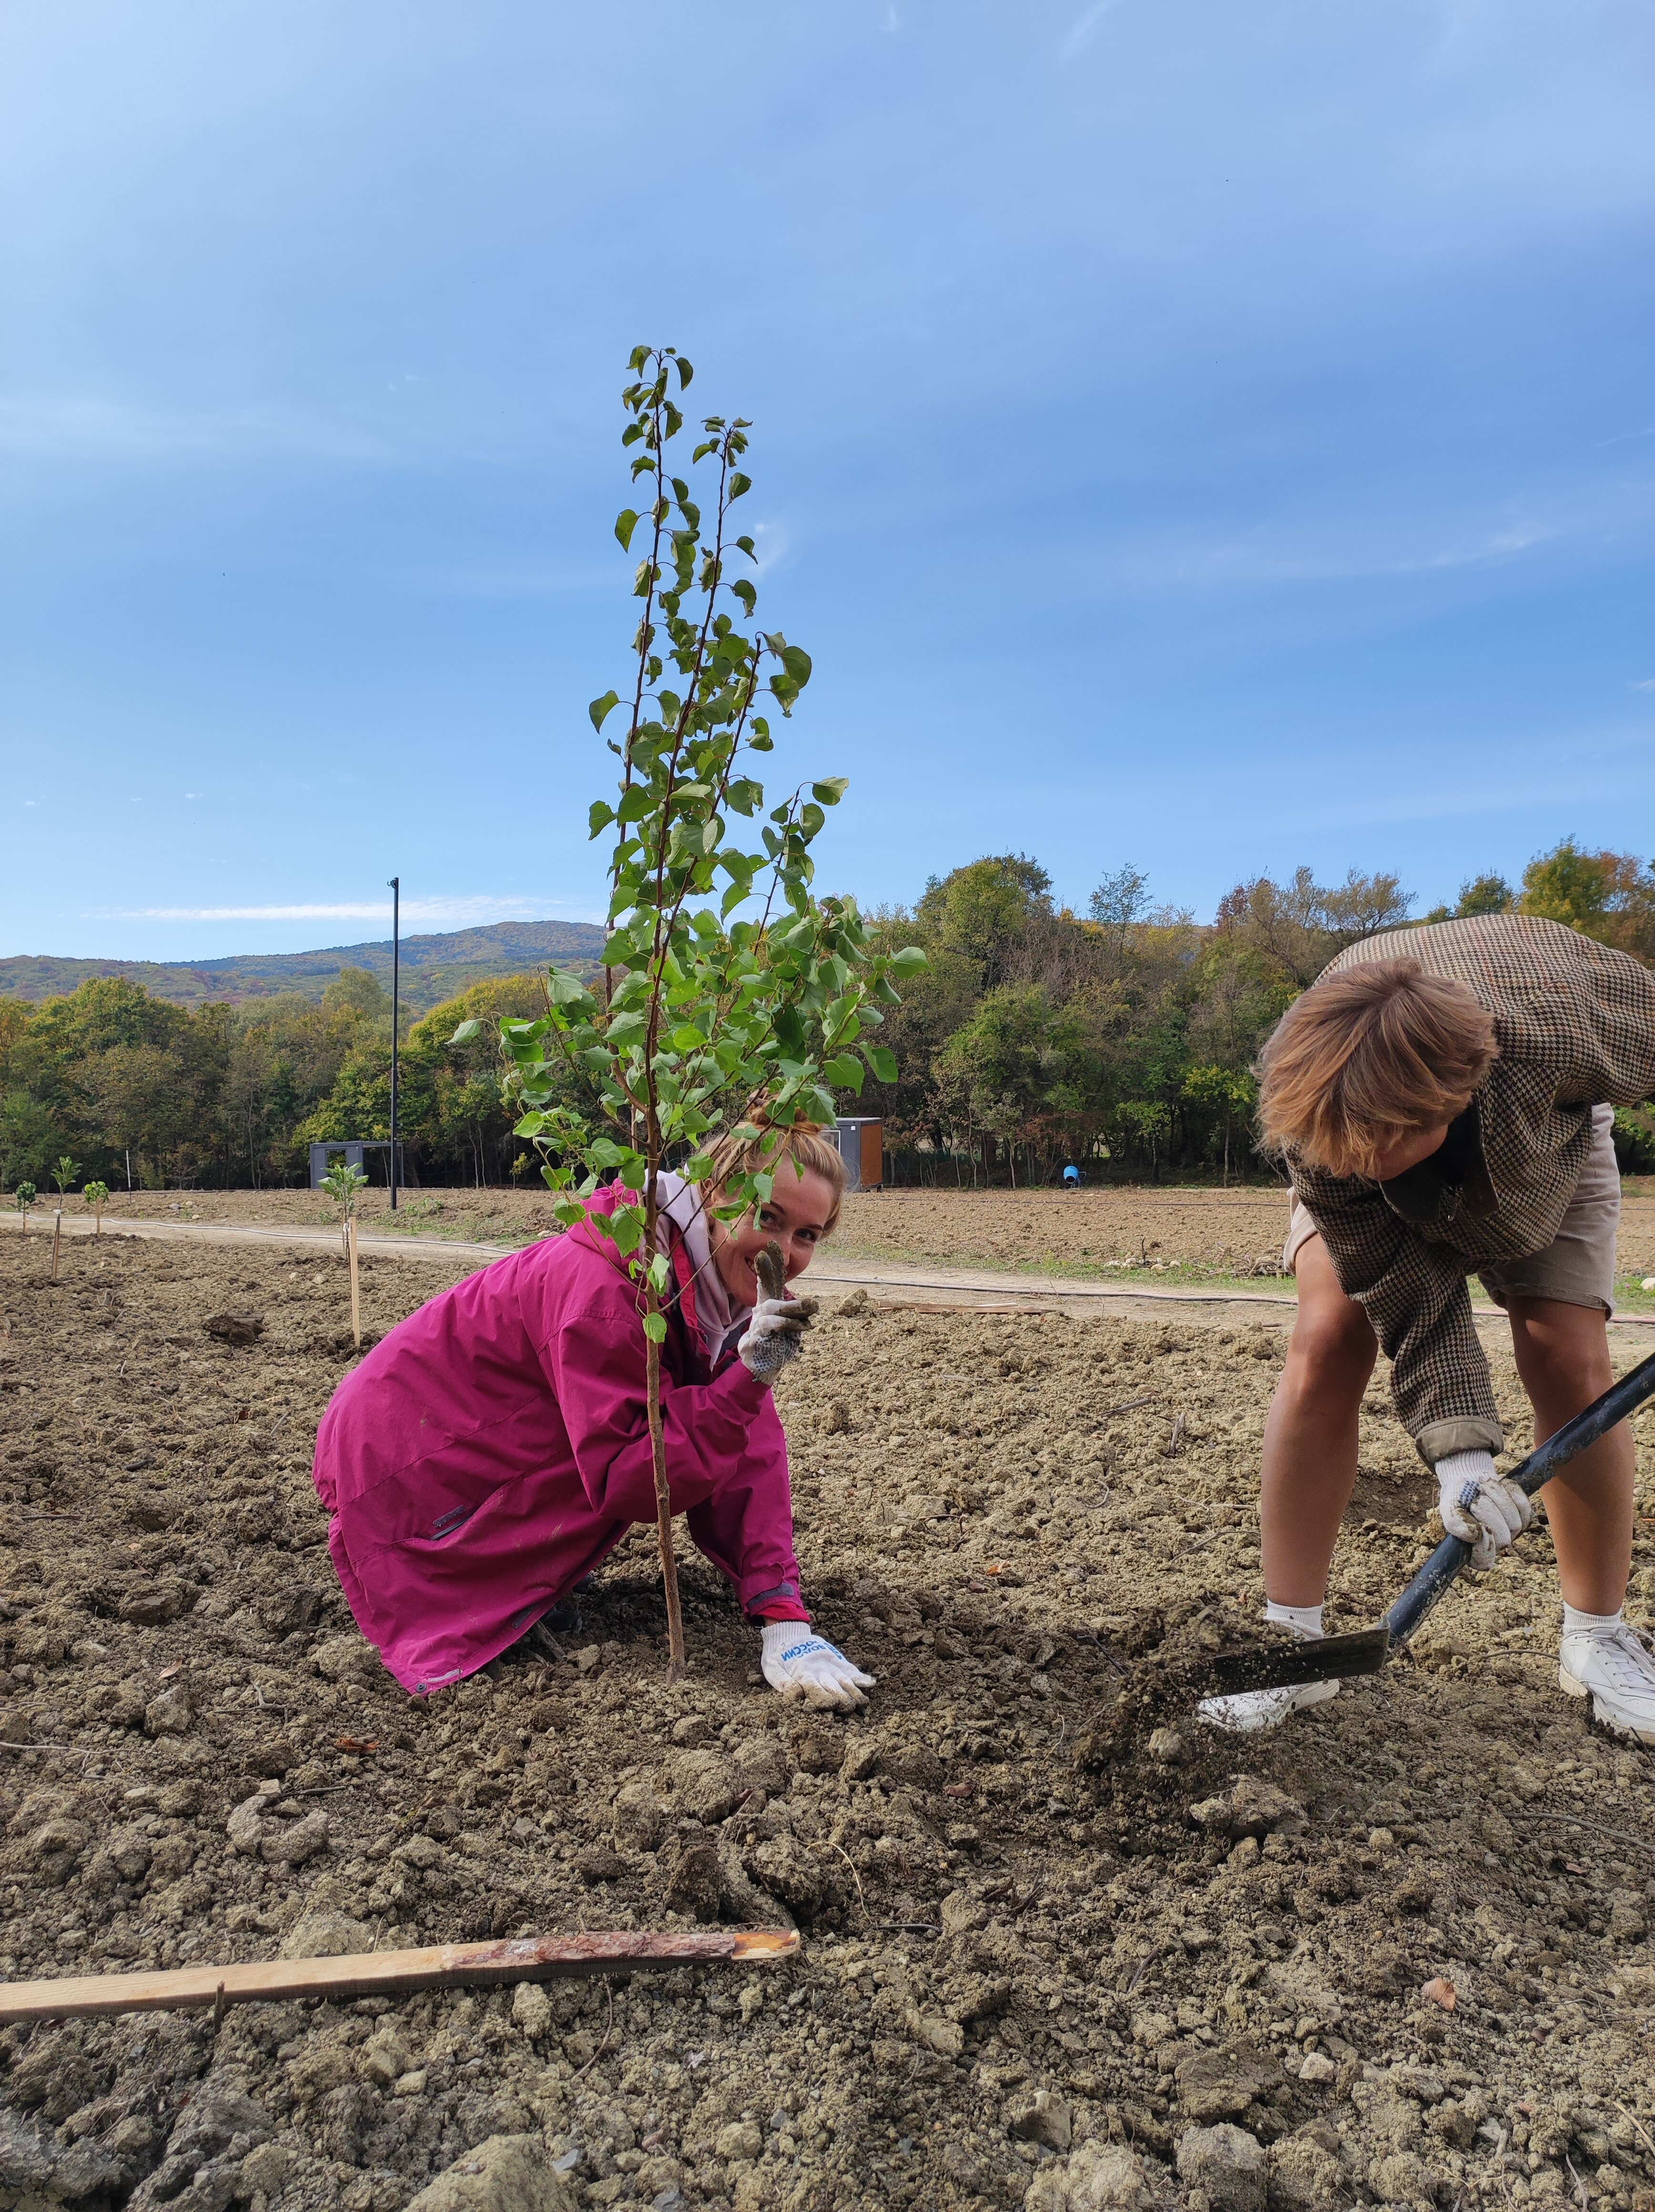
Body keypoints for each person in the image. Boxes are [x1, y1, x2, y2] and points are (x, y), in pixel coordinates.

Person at [1200, 912, 1655, 1743]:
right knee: (1330, 1337)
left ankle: (1598, 1639)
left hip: (1544, 1151)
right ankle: (1289, 1639)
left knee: (1567, 1356)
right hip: (1348, 1132)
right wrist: (1463, 1457)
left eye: (1393, 1141)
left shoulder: (1569, 1019)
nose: (1370, 1162)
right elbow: (1405, 1292)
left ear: (1460, 1091)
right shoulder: (1324, 1126)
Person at [312, 1124, 875, 1710]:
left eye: (807, 1234)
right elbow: (629, 1471)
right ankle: (459, 1568)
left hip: (455, 1430)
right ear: (713, 1196)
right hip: (401, 1450)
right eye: (769, 1217)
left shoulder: (714, 1294)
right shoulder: (614, 1286)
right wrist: (743, 1381)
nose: (783, 1251)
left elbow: (748, 1454)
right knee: (592, 1480)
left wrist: (782, 1620)